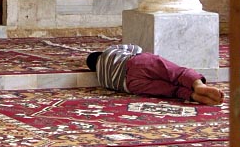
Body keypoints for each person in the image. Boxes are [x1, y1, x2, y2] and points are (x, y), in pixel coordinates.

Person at [86, 44, 224, 106]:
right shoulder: (109, 51)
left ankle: (194, 96)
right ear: (99, 54)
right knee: (175, 73)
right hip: (133, 63)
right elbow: (135, 48)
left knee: (170, 90)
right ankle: (198, 85)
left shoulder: (102, 79)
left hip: (130, 85)